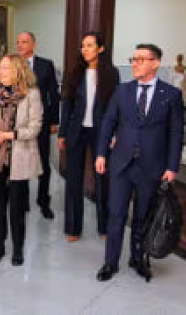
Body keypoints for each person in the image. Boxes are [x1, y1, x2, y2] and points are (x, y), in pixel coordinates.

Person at [96, 43, 184, 283]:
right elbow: (108, 122)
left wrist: (172, 166)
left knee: (143, 216)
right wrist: (101, 153)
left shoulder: (171, 95)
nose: (134, 64)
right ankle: (110, 262)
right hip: (121, 164)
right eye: (133, 59)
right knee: (116, 213)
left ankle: (137, 259)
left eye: (140, 59)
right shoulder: (122, 91)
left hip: (152, 166)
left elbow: (176, 133)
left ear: (155, 63)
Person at [0, 54, 43, 266]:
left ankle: (17, 249)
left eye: (5, 68)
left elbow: (35, 127)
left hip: (20, 155)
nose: (0, 71)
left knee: (17, 208)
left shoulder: (31, 94)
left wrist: (7, 135)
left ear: (17, 70)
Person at [59, 31, 120, 242]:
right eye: (83, 45)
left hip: (101, 132)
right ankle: (73, 228)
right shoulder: (75, 73)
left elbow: (115, 107)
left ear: (100, 49)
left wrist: (114, 133)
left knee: (102, 179)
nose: (84, 49)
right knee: (73, 180)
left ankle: (105, 227)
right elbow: (67, 105)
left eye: (90, 45)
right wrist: (62, 133)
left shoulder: (111, 74)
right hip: (76, 130)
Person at [16, 31, 60, 219]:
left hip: (40, 122)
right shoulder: (12, 64)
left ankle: (43, 202)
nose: (20, 45)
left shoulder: (45, 65)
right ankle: (23, 200)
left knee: (43, 163)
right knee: (21, 161)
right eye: (18, 42)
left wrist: (54, 120)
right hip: (19, 123)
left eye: (24, 42)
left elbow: (53, 93)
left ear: (33, 45)